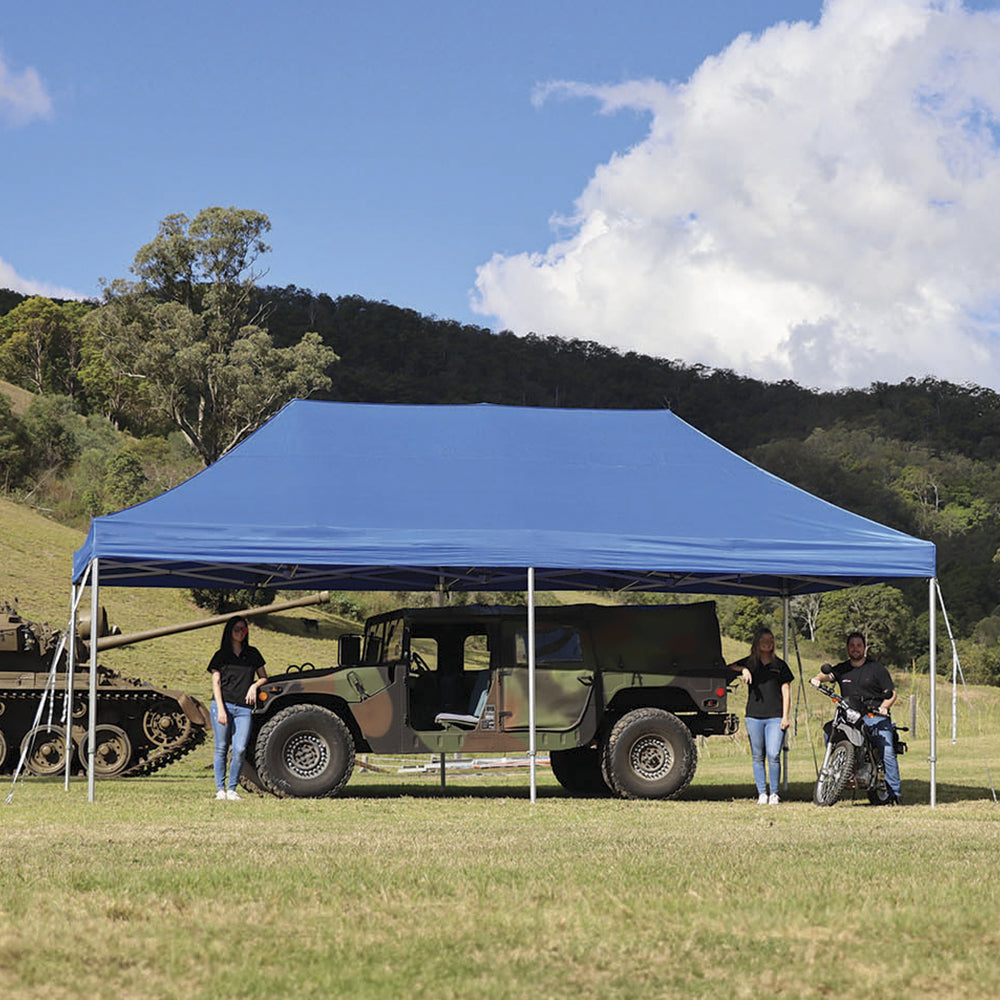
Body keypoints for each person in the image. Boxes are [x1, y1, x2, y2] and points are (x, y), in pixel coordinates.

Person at [810, 632, 901, 804]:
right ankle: (840, 772)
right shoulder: (843, 668)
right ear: (847, 648)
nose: (855, 649)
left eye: (859, 645)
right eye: (852, 645)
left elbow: (892, 693)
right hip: (849, 714)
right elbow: (828, 676)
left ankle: (894, 793)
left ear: (864, 647)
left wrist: (884, 707)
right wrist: (817, 679)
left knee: (887, 750)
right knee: (829, 732)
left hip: (873, 714)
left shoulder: (876, 668)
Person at [729, 627, 793, 804]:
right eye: (764, 640)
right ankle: (762, 793)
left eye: (771, 640)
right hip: (754, 716)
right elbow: (728, 668)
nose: (768, 643)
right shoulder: (750, 662)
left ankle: (774, 793)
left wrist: (785, 716)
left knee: (773, 754)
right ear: (757, 642)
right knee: (758, 756)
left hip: (775, 717)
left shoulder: (780, 665)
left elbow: (786, 691)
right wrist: (743, 669)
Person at [207, 616, 267, 801]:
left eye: (243, 629)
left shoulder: (253, 653)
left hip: (243, 709)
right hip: (222, 705)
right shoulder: (221, 655)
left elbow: (264, 677)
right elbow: (215, 683)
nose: (240, 632)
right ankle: (220, 789)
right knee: (221, 748)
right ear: (229, 632)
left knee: (240, 748)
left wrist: (254, 686)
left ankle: (232, 788)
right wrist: (221, 708)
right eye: (236, 629)